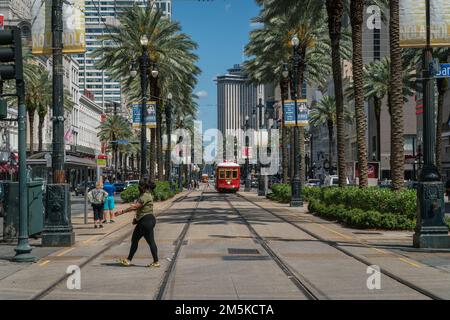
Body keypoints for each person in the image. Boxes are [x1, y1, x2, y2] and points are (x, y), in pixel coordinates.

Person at [116, 180, 160, 268]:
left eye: (139, 186)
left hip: (145, 221)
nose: (138, 187)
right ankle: (155, 261)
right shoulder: (146, 195)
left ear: (143, 187)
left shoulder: (145, 196)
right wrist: (136, 220)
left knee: (140, 240)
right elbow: (142, 210)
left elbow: (136, 207)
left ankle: (130, 260)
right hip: (147, 220)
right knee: (145, 241)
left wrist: (122, 211)